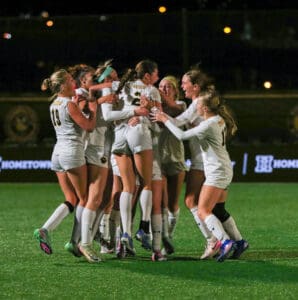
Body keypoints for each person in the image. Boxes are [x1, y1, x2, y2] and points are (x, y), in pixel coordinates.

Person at [152, 90, 249, 262]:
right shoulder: (217, 120)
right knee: (218, 209)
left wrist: (164, 119)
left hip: (217, 171)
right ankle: (240, 242)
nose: (194, 106)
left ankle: (224, 241)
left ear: (204, 108)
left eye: (197, 104)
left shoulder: (209, 124)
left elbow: (181, 135)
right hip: (224, 168)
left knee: (203, 210)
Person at [34, 69, 97, 255]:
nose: (74, 82)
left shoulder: (55, 103)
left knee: (72, 199)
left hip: (58, 153)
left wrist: (78, 107)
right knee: (84, 199)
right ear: (62, 86)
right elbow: (89, 127)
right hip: (72, 153)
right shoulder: (70, 104)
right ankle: (75, 242)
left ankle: (45, 229)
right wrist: (92, 111)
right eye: (70, 80)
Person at [157, 75, 187, 255]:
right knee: (161, 202)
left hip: (176, 159)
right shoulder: (156, 107)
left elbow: (174, 109)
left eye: (167, 87)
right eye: (161, 86)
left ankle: (169, 236)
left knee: (173, 204)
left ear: (176, 90)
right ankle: (164, 238)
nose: (163, 90)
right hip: (158, 160)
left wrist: (159, 97)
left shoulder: (181, 106)